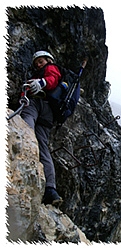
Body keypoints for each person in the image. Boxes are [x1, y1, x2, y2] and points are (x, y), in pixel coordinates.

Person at [21, 51, 63, 206]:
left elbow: (52, 79)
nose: (39, 64)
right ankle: (51, 190)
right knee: (43, 146)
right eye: (36, 63)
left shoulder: (51, 68)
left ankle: (25, 160)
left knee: (26, 126)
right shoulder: (43, 71)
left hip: (38, 103)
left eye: (41, 61)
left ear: (48, 60)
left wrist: (41, 83)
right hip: (48, 112)